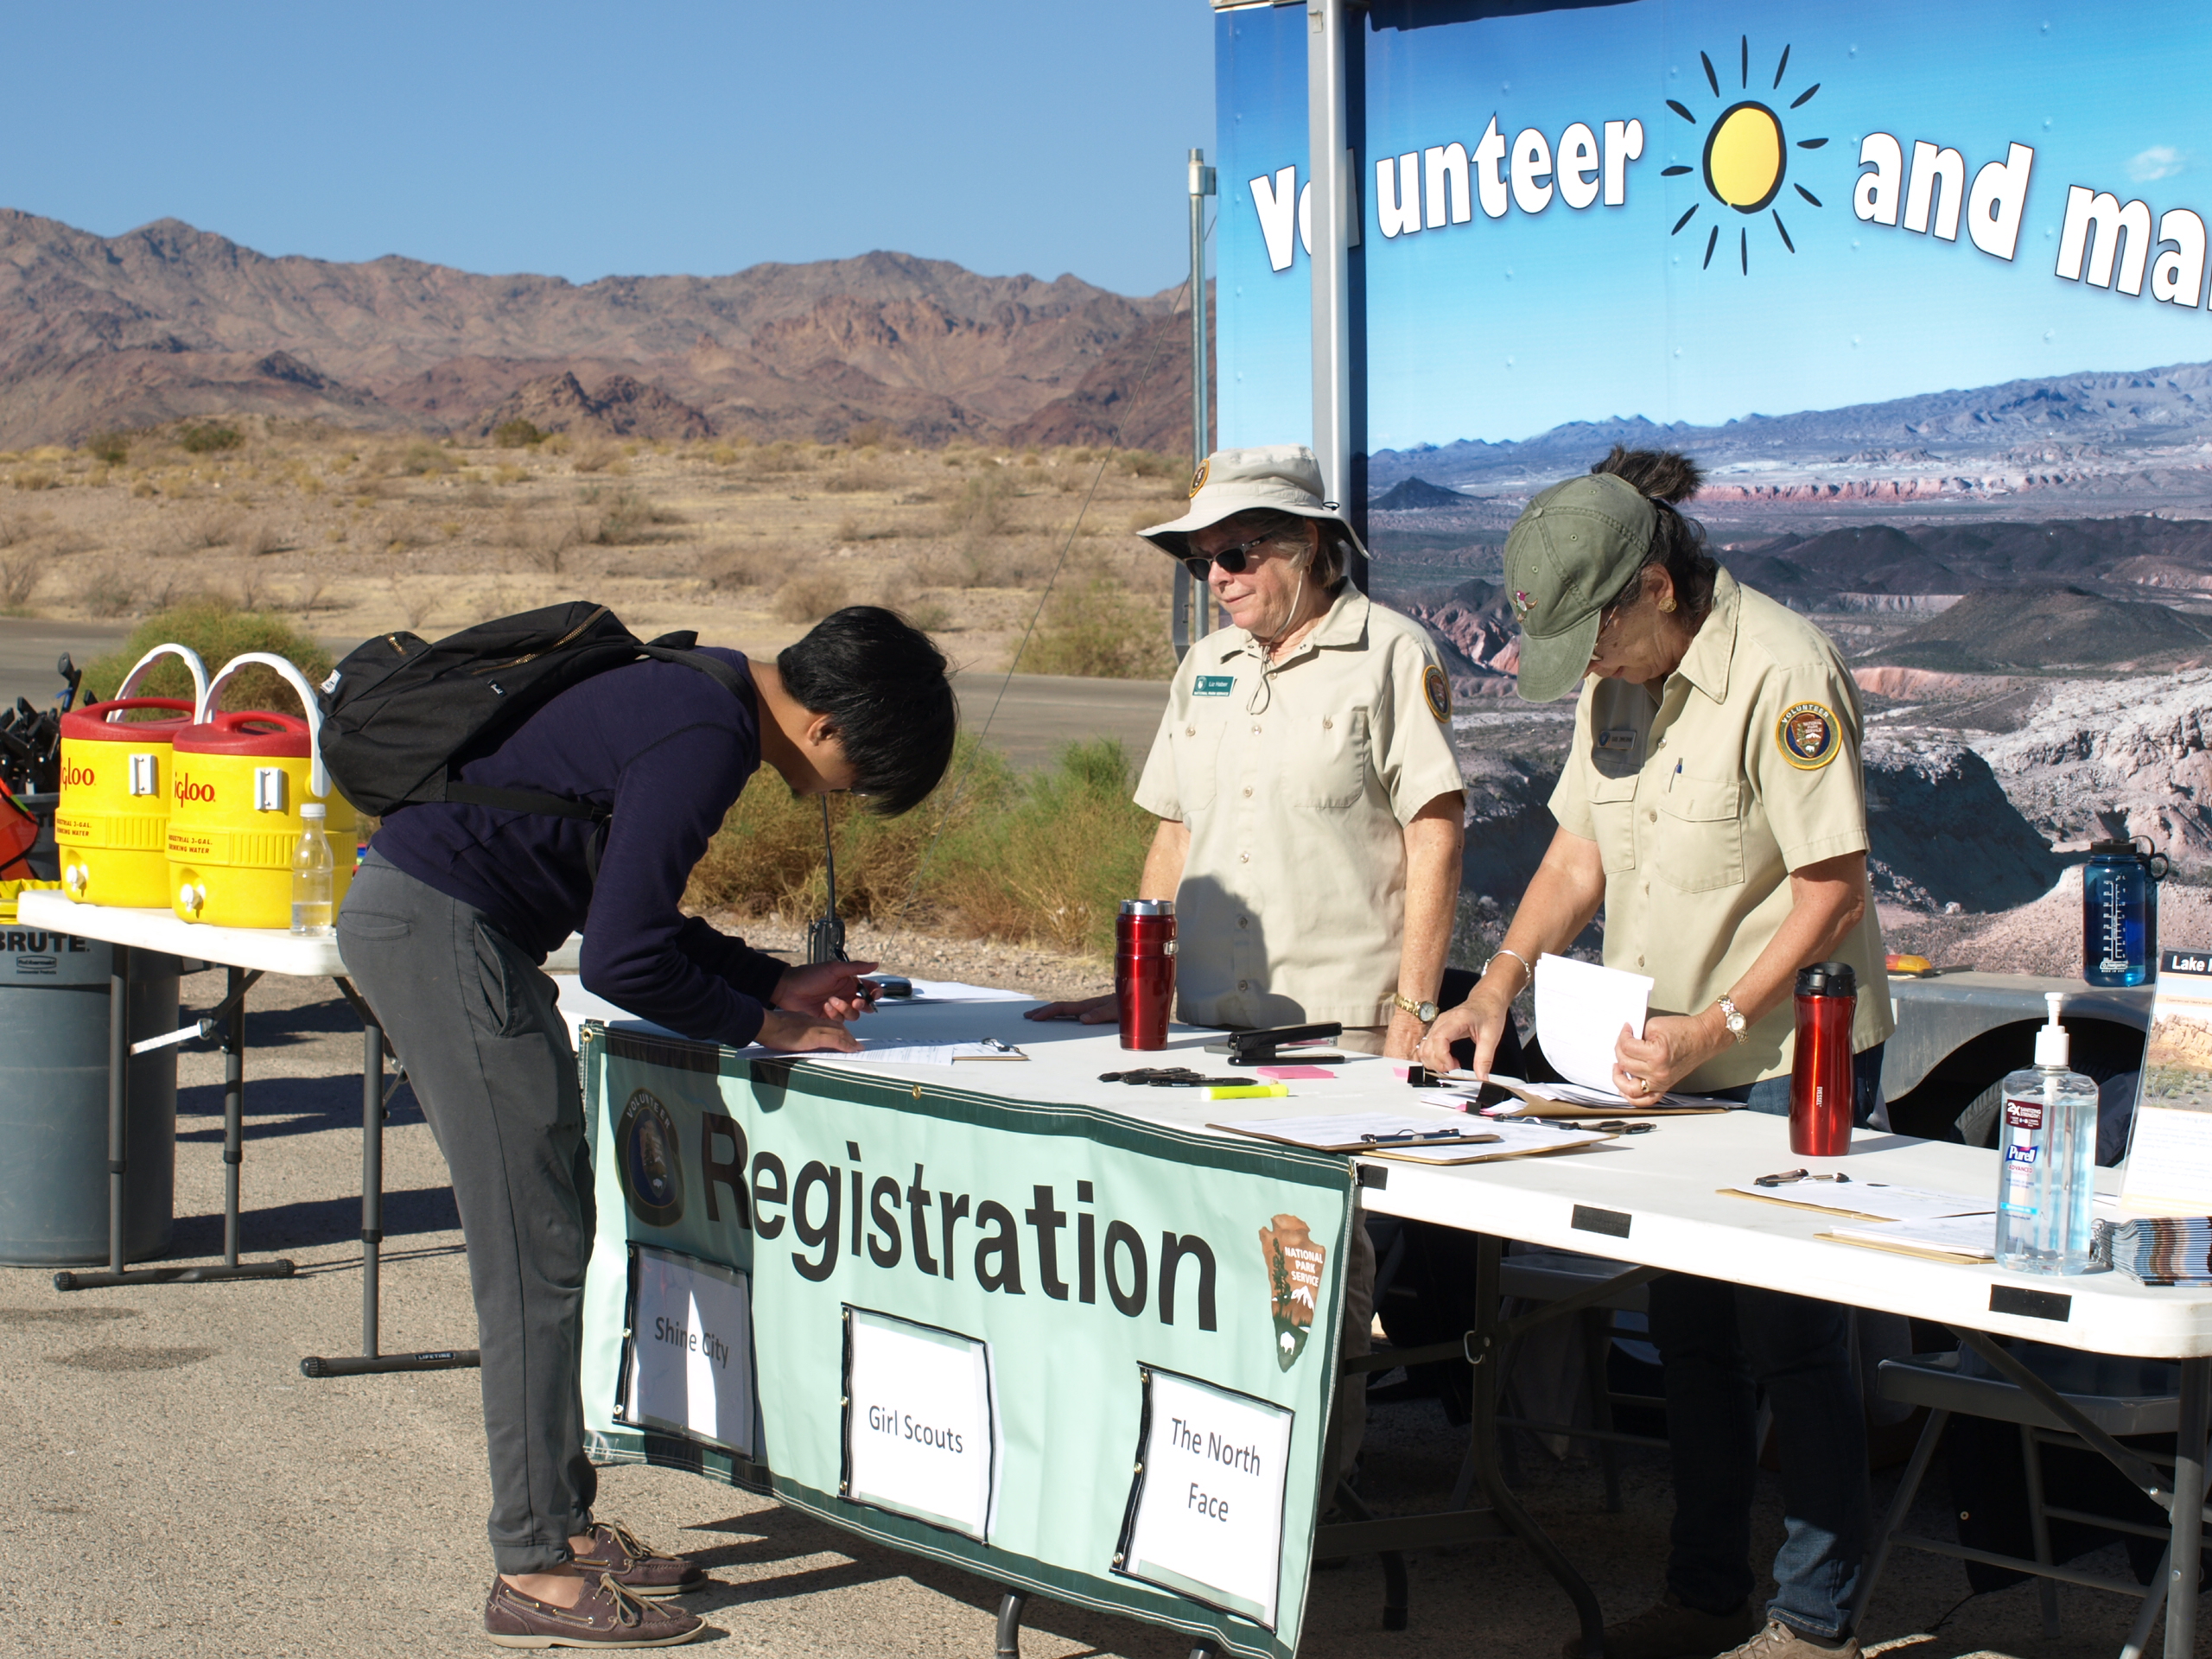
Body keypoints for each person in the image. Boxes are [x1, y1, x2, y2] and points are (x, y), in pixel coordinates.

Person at [338, 606, 956, 1649]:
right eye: (862, 773)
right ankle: (532, 1564)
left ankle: (562, 1528)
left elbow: (630, 919)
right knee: (534, 1252)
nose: (843, 798)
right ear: (827, 726)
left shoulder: (697, 688)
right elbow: (623, 963)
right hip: (442, 934)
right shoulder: (704, 734)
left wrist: (774, 977)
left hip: (443, 925)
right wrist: (770, 1028)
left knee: (551, 1236)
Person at [1421, 448, 1891, 1659]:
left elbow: (1831, 891)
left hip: (1787, 1058)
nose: (1584, 666)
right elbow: (1580, 852)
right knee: (1687, 1338)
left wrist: (1719, 1025)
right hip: (1659, 1065)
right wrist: (1499, 986)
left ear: (1654, 591)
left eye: (1593, 635)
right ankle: (1703, 1594)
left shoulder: (1781, 670)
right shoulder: (1618, 684)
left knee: (1798, 1338)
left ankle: (1816, 1617)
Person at [1027, 444, 1466, 1059]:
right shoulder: (1204, 665)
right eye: (1200, 560)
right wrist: (1136, 987)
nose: (1217, 577)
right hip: (1199, 1024)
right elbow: (1175, 837)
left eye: (1234, 554)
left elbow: (1434, 838)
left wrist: (1413, 1016)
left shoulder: (1393, 654)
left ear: (1307, 545)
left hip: (1340, 1034)